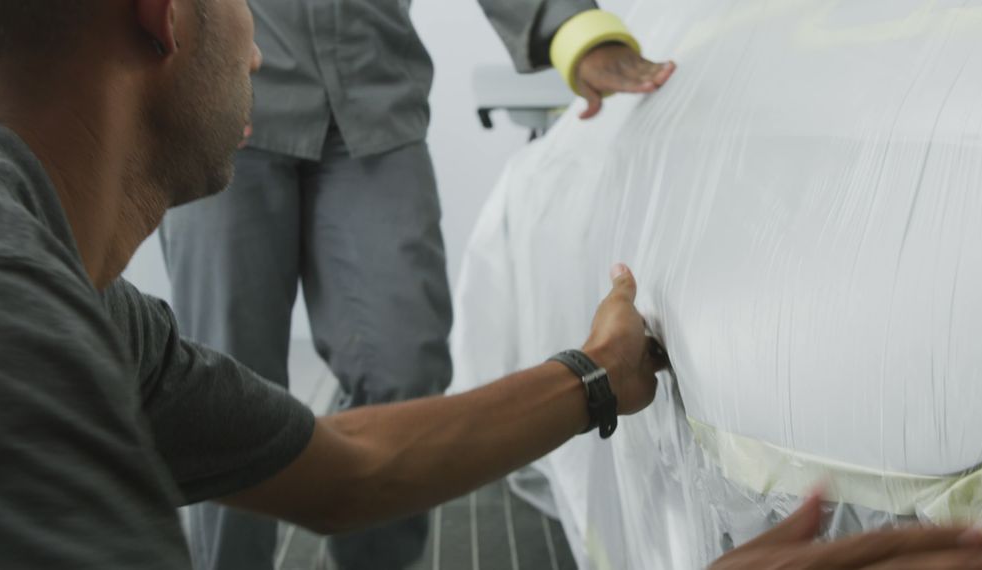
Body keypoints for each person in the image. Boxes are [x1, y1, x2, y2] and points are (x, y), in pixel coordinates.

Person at [0, 1, 982, 569]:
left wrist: (596, 375)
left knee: (386, 366)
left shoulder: (83, 313)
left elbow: (340, 468)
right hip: (238, 148)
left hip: (376, 109)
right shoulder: (28, 348)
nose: (258, 37)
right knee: (237, 349)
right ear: (161, 15)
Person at [156, 0, 676, 566]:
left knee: (406, 366)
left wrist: (576, 32)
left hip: (372, 97)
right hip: (223, 86)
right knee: (228, 388)